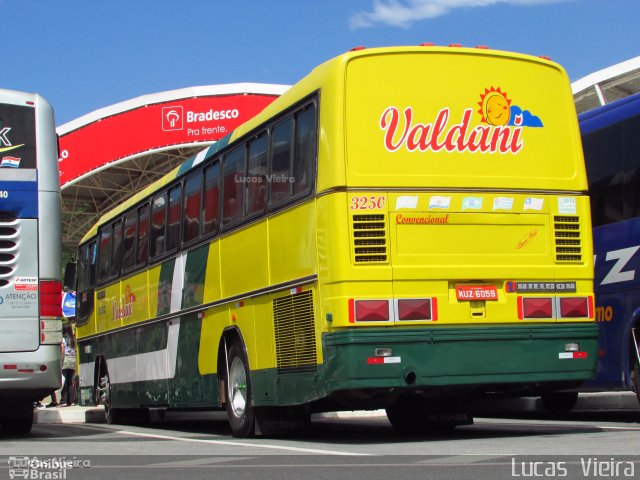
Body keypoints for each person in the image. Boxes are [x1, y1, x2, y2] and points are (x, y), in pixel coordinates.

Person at [60, 325, 77, 407]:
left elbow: (62, 348)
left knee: (66, 381)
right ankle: (71, 400)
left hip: (66, 360)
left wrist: (62, 359)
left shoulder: (63, 339)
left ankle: (64, 400)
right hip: (73, 360)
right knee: (70, 381)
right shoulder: (73, 339)